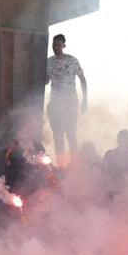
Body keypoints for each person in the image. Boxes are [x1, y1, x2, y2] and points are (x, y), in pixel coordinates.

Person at [45, 33, 88, 165]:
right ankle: (60, 164)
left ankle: (74, 164)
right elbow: (46, 81)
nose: (56, 48)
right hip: (56, 102)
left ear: (63, 45)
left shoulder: (72, 61)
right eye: (54, 45)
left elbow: (82, 80)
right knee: (58, 135)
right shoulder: (49, 62)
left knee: (71, 133)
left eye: (58, 45)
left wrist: (85, 100)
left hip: (70, 102)